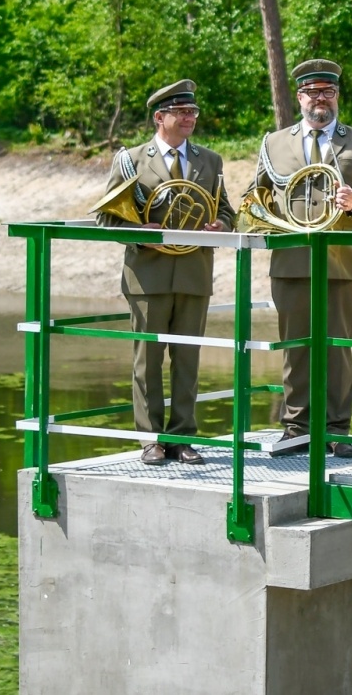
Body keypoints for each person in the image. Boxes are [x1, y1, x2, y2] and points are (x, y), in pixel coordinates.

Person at [248, 59, 352, 459]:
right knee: (295, 349)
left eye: (327, 91)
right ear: (300, 97)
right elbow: (253, 198)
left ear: (336, 96)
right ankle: (296, 427)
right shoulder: (274, 143)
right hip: (290, 263)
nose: (319, 99)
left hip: (341, 263)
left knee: (337, 349)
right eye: (312, 92)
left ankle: (337, 429)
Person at [98, 79, 236, 466]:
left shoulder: (211, 160)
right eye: (182, 112)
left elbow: (225, 209)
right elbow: (107, 218)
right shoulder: (131, 160)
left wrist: (221, 226)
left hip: (194, 273)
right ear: (160, 117)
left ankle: (182, 438)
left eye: (193, 112)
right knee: (148, 360)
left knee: (188, 360)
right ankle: (151, 439)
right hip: (148, 275)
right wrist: (144, 237)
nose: (190, 117)